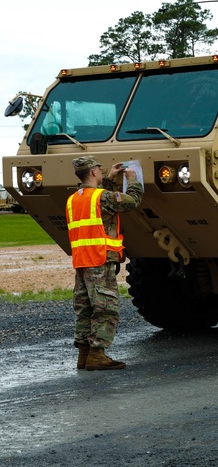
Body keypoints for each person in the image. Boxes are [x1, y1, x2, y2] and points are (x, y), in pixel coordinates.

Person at [66, 156, 143, 370]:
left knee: (85, 308)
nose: (101, 171)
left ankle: (84, 355)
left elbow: (101, 207)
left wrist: (109, 180)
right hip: (99, 260)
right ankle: (97, 354)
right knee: (106, 308)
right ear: (92, 172)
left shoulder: (74, 199)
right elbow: (132, 201)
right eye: (99, 169)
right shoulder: (101, 198)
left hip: (82, 261)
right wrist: (133, 180)